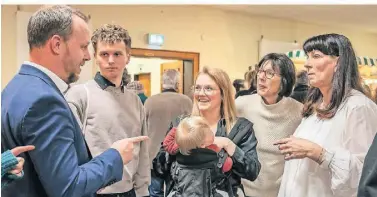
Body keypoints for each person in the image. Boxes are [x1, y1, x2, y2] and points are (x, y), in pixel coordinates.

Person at [1, 5, 148, 197]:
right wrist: (115, 156)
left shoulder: (14, 87)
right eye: (82, 47)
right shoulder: (45, 101)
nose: (87, 56)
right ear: (56, 44)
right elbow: (68, 188)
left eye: (117, 54)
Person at [276, 33, 377, 197]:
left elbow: (365, 173)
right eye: (307, 57)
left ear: (338, 62)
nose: (307, 64)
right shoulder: (316, 108)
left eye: (316, 56)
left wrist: (319, 153)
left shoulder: (358, 108)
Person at [65, 24, 150, 197]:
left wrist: (142, 192)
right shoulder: (79, 95)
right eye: (104, 54)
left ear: (128, 57)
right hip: (93, 191)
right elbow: (69, 154)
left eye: (117, 54)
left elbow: (142, 153)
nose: (111, 60)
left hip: (129, 191)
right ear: (95, 57)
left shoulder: (135, 101)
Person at [154, 67, 261, 197]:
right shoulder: (181, 123)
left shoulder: (240, 128)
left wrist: (229, 145)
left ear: (223, 94)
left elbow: (252, 171)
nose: (201, 93)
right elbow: (159, 168)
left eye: (208, 88)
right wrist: (177, 147)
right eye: (197, 88)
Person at [236, 53, 302, 197]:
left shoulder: (299, 112)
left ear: (285, 80)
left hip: (280, 192)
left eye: (270, 73)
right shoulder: (242, 104)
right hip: (243, 191)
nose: (261, 77)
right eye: (260, 71)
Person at [144, 69, 192, 197]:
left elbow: (142, 128)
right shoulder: (186, 101)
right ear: (177, 84)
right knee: (175, 193)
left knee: (154, 193)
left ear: (162, 83)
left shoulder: (150, 102)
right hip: (178, 156)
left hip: (153, 156)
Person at [163, 116, 233, 173]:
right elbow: (227, 164)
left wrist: (182, 129)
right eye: (210, 132)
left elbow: (167, 144)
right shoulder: (211, 151)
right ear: (202, 145)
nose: (211, 131)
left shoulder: (183, 151)